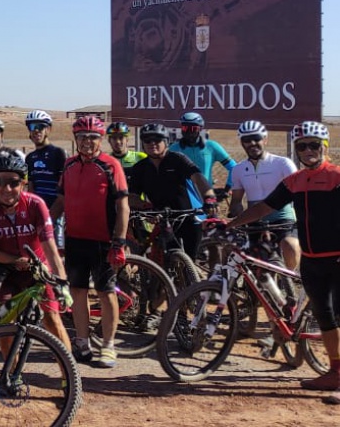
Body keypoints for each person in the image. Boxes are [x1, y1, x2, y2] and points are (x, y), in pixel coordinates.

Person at [222, 121, 340, 395]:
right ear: (297, 149)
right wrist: (230, 224)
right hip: (311, 260)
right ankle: (335, 372)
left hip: (336, 259)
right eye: (302, 146)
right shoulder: (294, 181)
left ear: (324, 147)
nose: (308, 150)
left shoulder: (336, 176)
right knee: (325, 319)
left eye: (313, 145)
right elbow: (264, 207)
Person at [48, 115, 130, 368]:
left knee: (106, 293)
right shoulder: (70, 165)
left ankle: (108, 345)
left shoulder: (110, 165)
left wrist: (119, 241)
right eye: (82, 137)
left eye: (93, 137)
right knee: (78, 292)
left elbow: (123, 206)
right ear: (75, 139)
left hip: (103, 241)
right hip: (75, 238)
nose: (87, 142)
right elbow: (61, 202)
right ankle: (82, 341)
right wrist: (45, 228)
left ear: (100, 140)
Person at [0, 152, 72, 347]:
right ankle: (10, 374)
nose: (7, 188)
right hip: (7, 270)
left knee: (52, 319)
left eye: (14, 182)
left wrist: (62, 283)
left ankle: (70, 374)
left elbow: (51, 249)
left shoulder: (36, 205)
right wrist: (14, 260)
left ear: (24, 182)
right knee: (5, 322)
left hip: (39, 269)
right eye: (0, 182)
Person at [128, 122, 215, 258]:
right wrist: (146, 207)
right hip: (161, 218)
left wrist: (209, 197)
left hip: (187, 216)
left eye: (157, 139)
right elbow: (132, 196)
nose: (152, 143)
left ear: (166, 142)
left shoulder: (177, 159)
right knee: (165, 259)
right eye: (147, 140)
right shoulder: (140, 168)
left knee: (191, 260)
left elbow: (198, 177)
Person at [227, 120, 300, 271]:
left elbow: (299, 194)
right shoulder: (238, 169)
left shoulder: (283, 163)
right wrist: (236, 216)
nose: (252, 143)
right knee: (235, 253)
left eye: (257, 138)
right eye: (247, 140)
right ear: (242, 143)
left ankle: (289, 281)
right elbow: (236, 201)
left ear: (265, 139)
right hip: (254, 221)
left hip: (283, 219)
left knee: (290, 246)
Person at [170, 111, 236, 190]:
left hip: (206, 195)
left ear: (200, 128)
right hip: (182, 197)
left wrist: (228, 188)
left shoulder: (212, 146)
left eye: (194, 128)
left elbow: (234, 168)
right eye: (185, 128)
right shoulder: (173, 149)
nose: (189, 131)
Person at [24, 110, 66, 209]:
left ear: (48, 129)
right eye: (32, 127)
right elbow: (31, 188)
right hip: (37, 211)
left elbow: (63, 189)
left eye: (40, 126)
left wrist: (51, 217)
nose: (36, 130)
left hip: (56, 212)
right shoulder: (29, 158)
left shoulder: (59, 153)